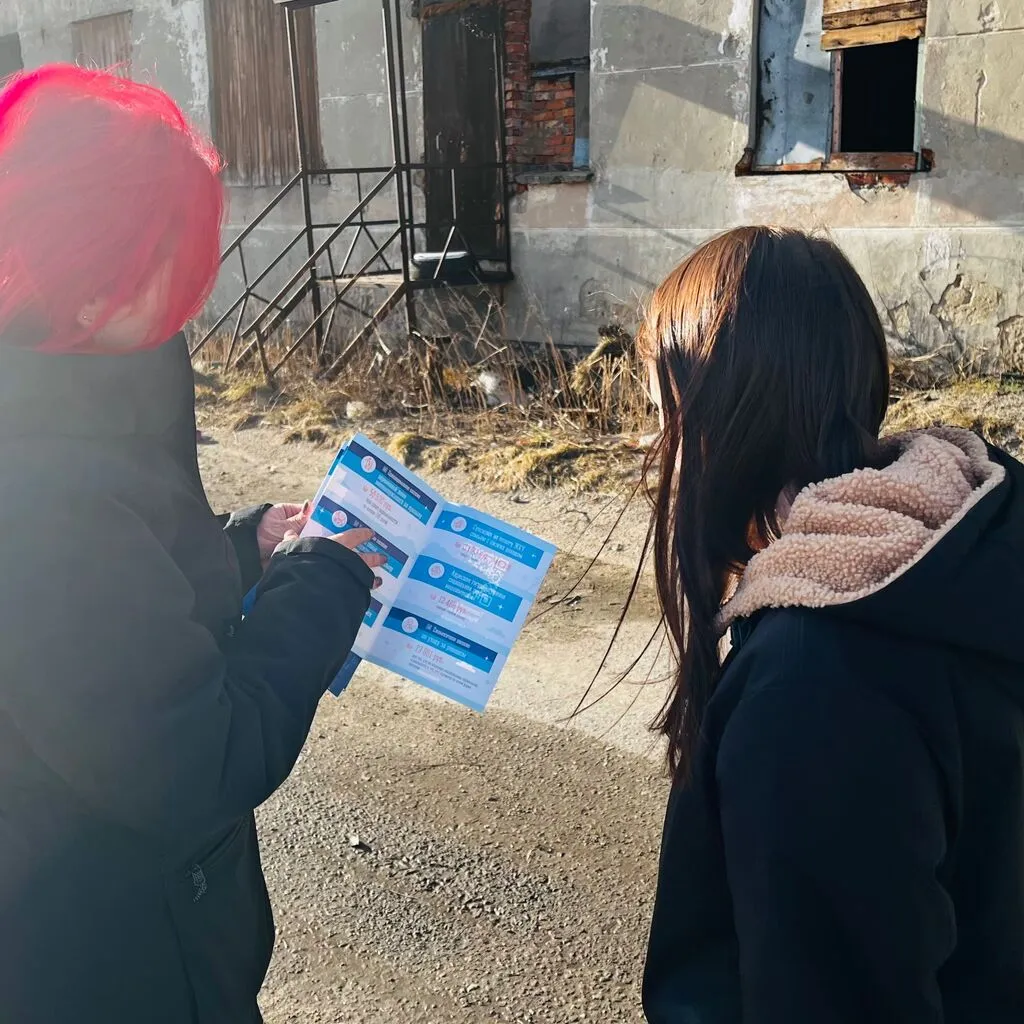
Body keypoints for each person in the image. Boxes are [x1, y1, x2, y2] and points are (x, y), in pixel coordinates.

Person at [0, 66, 384, 1023]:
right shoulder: (39, 491)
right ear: (92, 277)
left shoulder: (68, 386)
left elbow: (117, 595)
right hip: (106, 957)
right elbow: (198, 756)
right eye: (166, 257)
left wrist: (241, 549)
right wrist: (325, 583)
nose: (187, 292)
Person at [638, 227, 1024, 1023]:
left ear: (716, 422)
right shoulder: (960, 547)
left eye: (662, 412)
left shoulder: (814, 682)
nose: (651, 444)